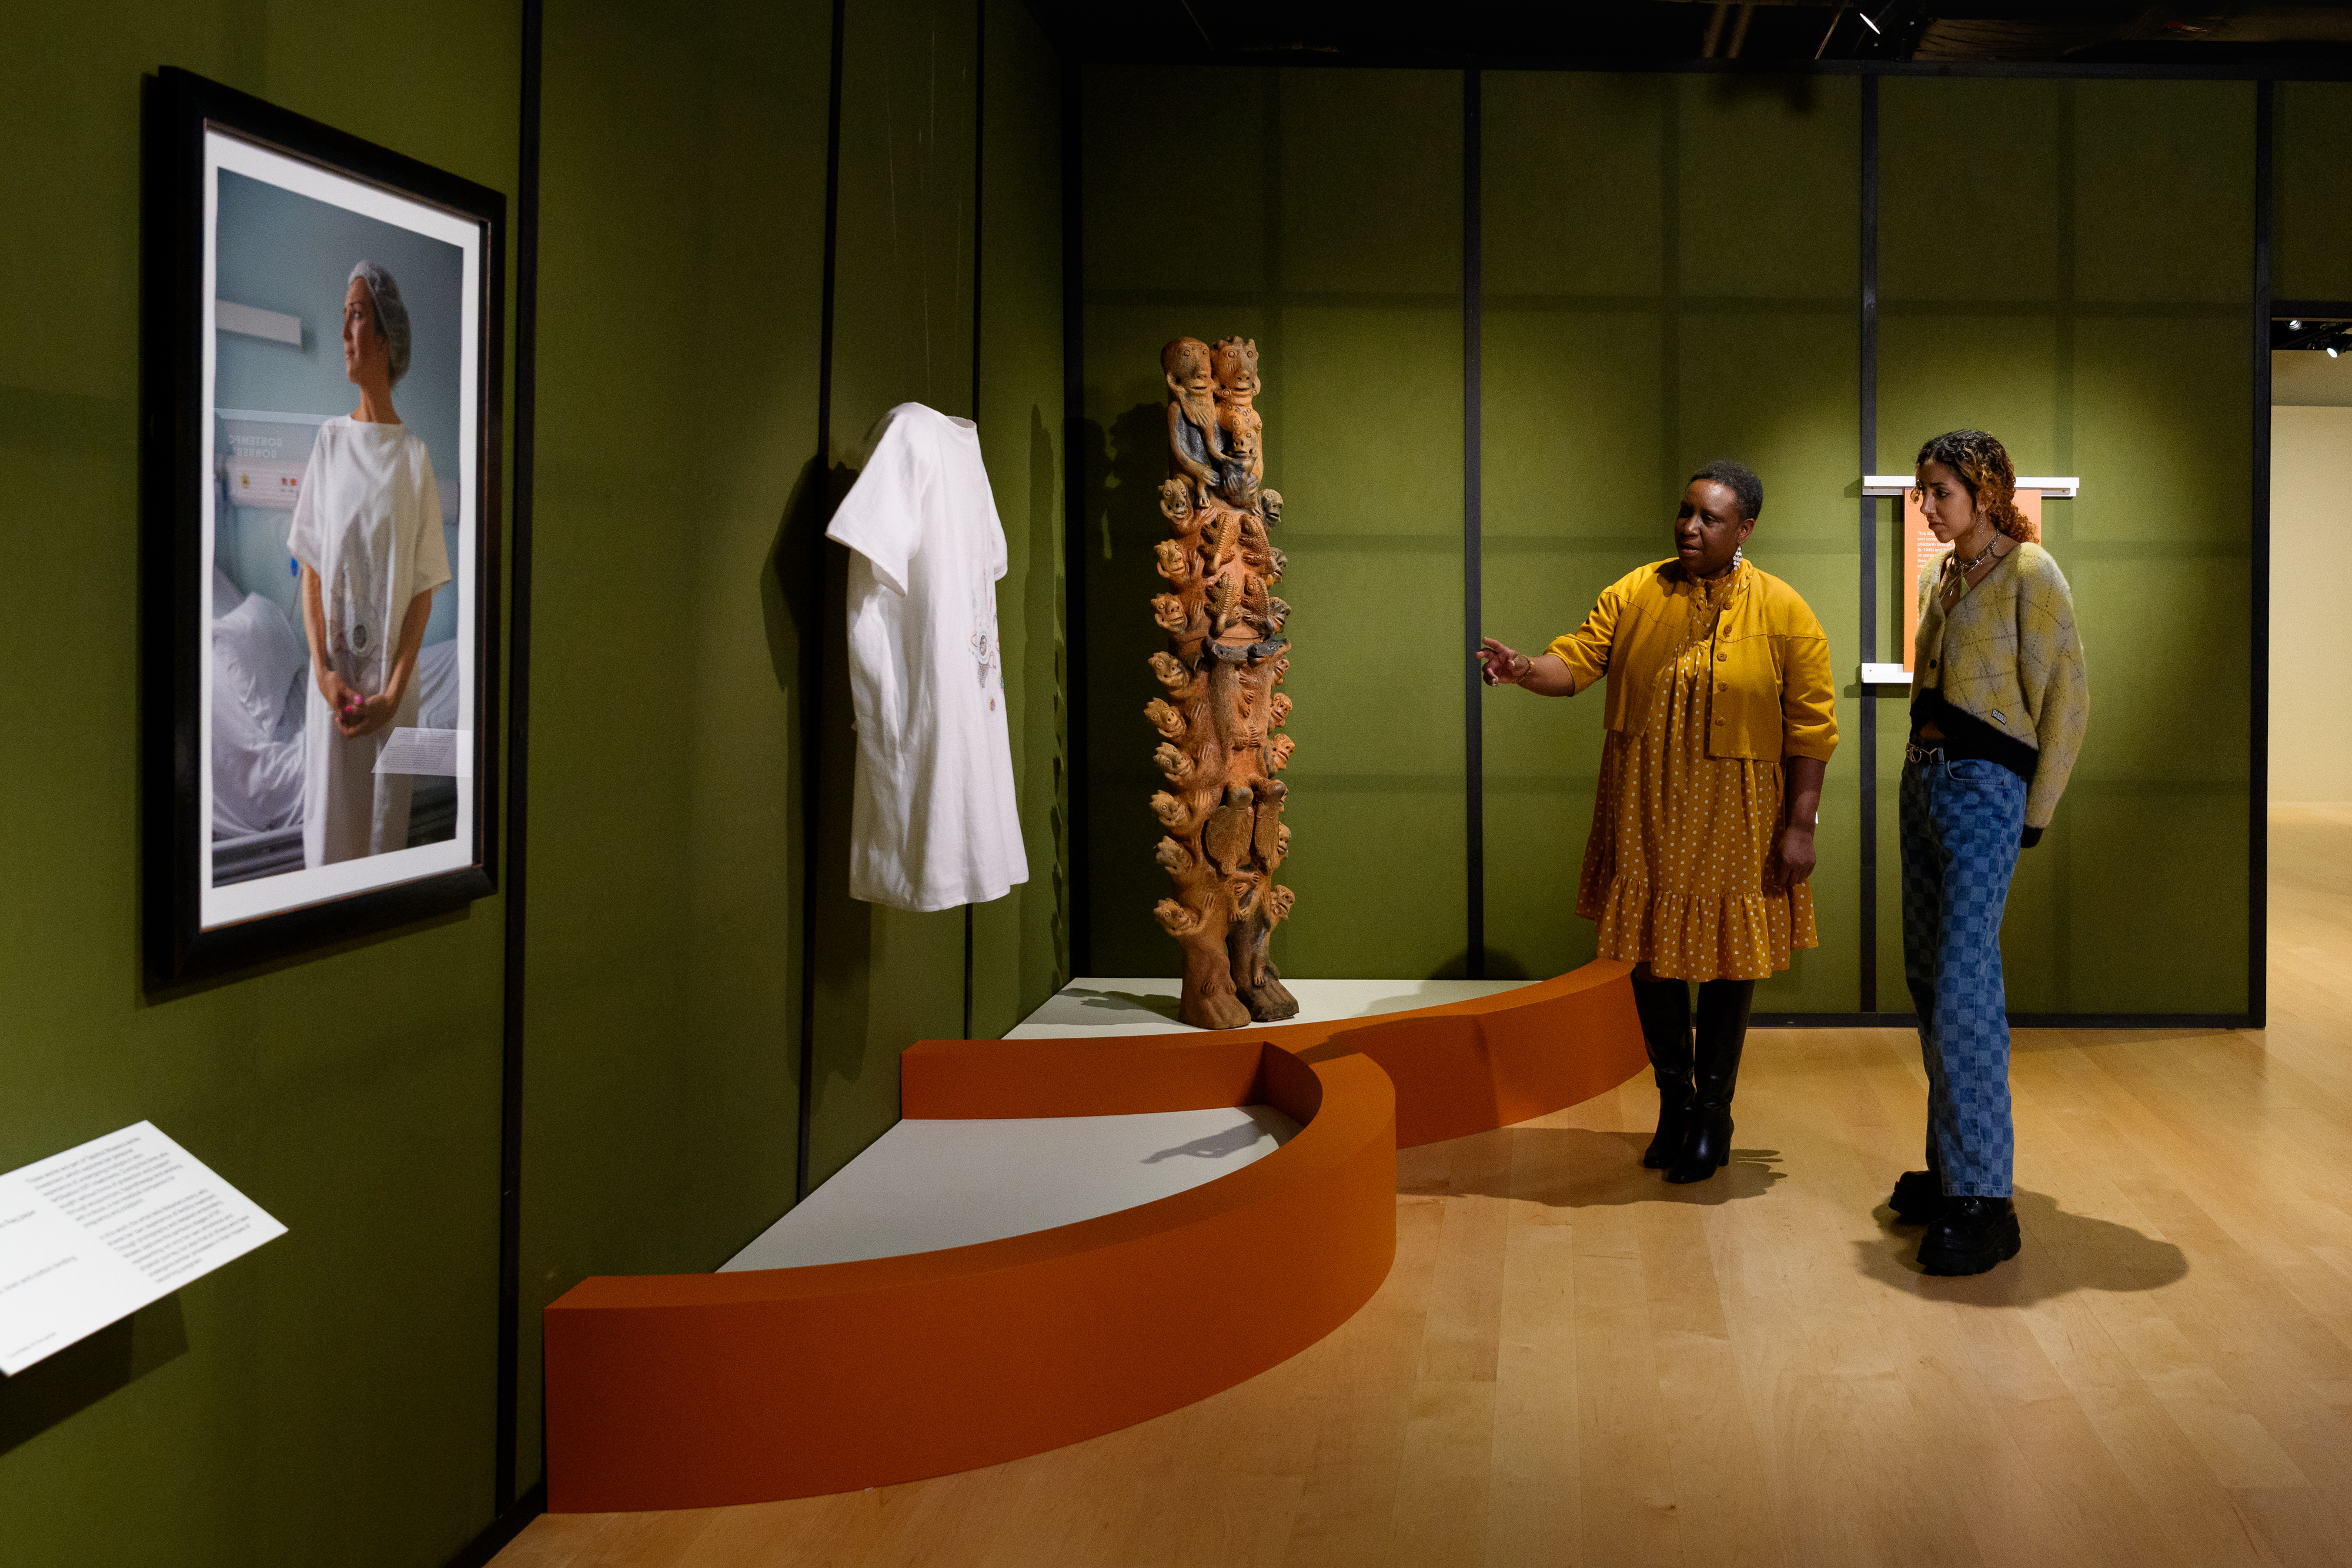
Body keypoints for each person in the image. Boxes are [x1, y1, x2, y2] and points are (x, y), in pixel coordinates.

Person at [1478, 462, 1836, 1183]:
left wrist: (1800, 825)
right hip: (1646, 798)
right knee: (1648, 954)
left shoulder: (1784, 609)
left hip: (1738, 808)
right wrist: (1524, 669)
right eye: (1685, 512)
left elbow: (1812, 728)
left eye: (1709, 518)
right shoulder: (1636, 591)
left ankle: (1714, 1113)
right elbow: (1574, 663)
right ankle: (1676, 1102)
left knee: (1730, 960)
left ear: (1744, 529)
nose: (1689, 527)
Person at [1891, 430, 2087, 1275]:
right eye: (1922, 491)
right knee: (1930, 978)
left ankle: (1984, 1199)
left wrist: (2034, 813)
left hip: (1984, 790)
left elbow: (2067, 700)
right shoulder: (1943, 574)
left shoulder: (2031, 574)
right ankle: (1950, 1168)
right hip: (1924, 782)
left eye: (1940, 491)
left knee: (1966, 984)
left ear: (1986, 490)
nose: (1927, 506)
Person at [289, 260, 451, 868]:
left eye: (355, 316)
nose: (343, 333)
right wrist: (324, 674)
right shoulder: (330, 443)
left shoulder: (415, 461)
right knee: (330, 849)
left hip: (391, 703)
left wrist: (392, 693)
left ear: (385, 338)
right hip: (334, 692)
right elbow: (311, 570)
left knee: (382, 856)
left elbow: (422, 594)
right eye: (344, 317)